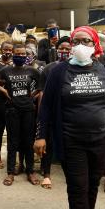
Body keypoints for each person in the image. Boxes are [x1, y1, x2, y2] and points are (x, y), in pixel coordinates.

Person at [34, 26, 105, 209]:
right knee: (78, 189)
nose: (80, 45)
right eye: (76, 41)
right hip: (72, 140)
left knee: (93, 186)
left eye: (85, 41)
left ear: (95, 45)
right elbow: (46, 107)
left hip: (101, 139)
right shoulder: (59, 72)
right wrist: (40, 136)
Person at [0, 44, 41, 186]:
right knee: (13, 142)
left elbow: (41, 85)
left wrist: (32, 96)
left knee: (28, 141)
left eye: (23, 54)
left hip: (28, 110)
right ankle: (10, 173)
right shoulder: (6, 70)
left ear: (27, 56)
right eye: (17, 54)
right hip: (12, 110)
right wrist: (4, 91)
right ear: (13, 54)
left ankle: (30, 171)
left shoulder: (32, 70)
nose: (20, 56)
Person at [37, 35, 72, 190]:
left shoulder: (76, 68)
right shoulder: (49, 68)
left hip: (70, 114)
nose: (64, 51)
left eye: (67, 49)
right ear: (56, 50)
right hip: (52, 112)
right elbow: (42, 94)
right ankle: (47, 175)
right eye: (62, 48)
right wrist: (41, 116)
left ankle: (71, 176)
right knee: (48, 144)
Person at [0, 41, 13, 169]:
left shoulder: (15, 63)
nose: (8, 52)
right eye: (5, 49)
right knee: (0, 128)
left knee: (12, 129)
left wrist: (1, 80)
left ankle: (11, 156)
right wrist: (4, 88)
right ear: (1, 50)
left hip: (13, 100)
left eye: (10, 49)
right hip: (1, 99)